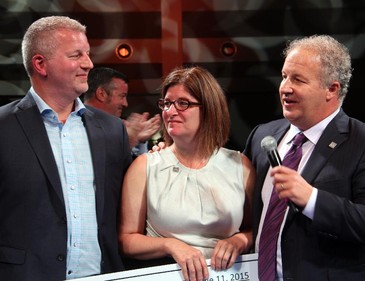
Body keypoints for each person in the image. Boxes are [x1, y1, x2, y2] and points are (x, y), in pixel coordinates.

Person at [0, 16, 133, 280]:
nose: (89, 64)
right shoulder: (3, 126)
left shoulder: (112, 130)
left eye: (88, 54)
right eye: (76, 55)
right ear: (40, 64)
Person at [243, 34, 365, 280]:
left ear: (331, 89)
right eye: (284, 76)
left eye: (298, 79)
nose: (285, 87)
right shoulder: (263, 135)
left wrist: (312, 199)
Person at [118, 65, 255, 281]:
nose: (170, 112)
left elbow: (254, 229)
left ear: (209, 108)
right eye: (167, 103)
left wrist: (239, 241)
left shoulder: (240, 165)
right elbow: (127, 240)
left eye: (183, 103)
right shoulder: (145, 166)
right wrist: (171, 245)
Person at [83, 67, 161, 157]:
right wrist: (129, 141)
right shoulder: (77, 125)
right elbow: (100, 164)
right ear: (101, 94)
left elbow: (133, 169)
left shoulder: (117, 128)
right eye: (122, 96)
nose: (125, 104)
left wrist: (138, 140)